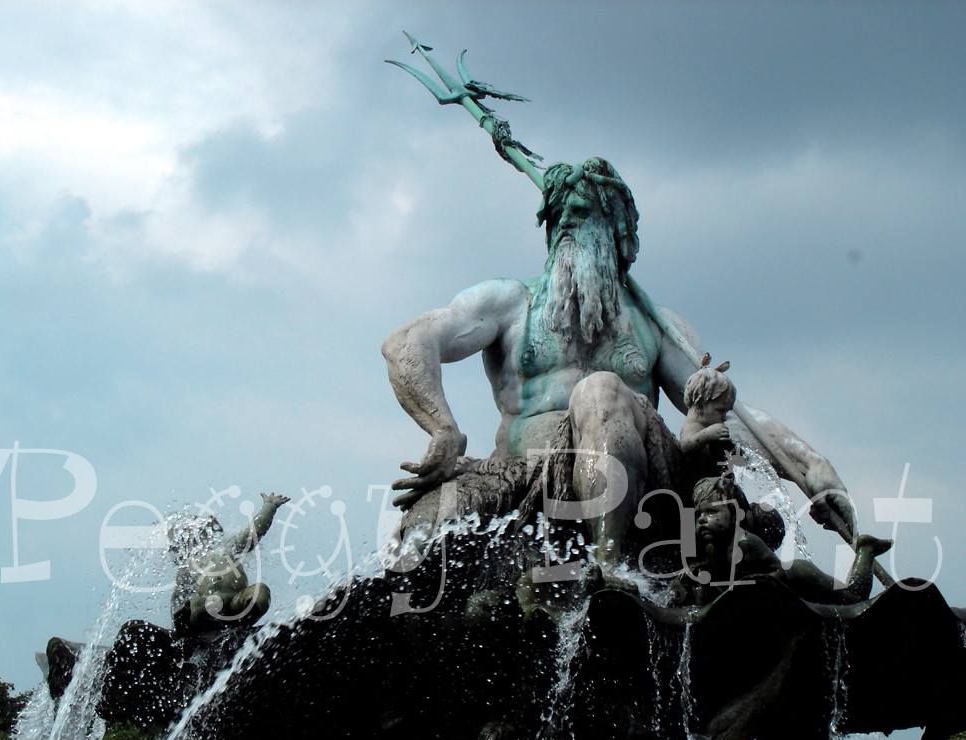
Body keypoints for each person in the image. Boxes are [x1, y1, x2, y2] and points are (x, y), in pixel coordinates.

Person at [382, 157, 854, 568]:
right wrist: (442, 428)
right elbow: (407, 340)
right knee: (427, 526)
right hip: (522, 472)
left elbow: (724, 419)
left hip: (644, 477)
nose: (565, 225)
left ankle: (610, 573)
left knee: (600, 390)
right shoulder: (509, 303)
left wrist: (815, 473)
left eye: (580, 214)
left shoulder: (657, 327)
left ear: (617, 232)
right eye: (557, 217)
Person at [672, 476, 891, 606]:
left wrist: (756, 584)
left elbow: (778, 573)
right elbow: (711, 570)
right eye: (699, 515)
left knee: (852, 598)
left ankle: (866, 550)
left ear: (737, 515)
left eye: (711, 512)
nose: (702, 521)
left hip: (800, 577)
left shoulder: (746, 543)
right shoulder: (710, 547)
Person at [168, 492, 290, 636]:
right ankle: (188, 630)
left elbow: (254, 532)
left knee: (261, 592)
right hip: (208, 604)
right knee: (194, 605)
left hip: (236, 600)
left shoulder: (230, 548)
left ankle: (245, 621)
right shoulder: (188, 567)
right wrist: (178, 618)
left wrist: (269, 506)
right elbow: (178, 597)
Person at [679, 355, 736, 480]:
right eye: (721, 411)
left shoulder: (707, 426)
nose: (724, 418)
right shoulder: (691, 425)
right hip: (696, 484)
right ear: (701, 402)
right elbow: (686, 446)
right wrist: (707, 434)